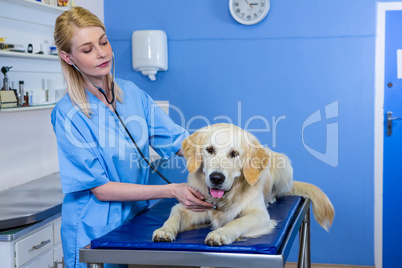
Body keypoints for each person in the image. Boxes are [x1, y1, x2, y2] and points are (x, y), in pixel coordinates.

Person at [51, 7, 214, 268]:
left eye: (103, 42)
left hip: (129, 220)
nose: (102, 52)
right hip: (92, 229)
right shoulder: (68, 114)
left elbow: (178, 141)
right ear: (68, 58)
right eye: (87, 49)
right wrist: (172, 190)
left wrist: (222, 152)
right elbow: (101, 189)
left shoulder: (132, 94)